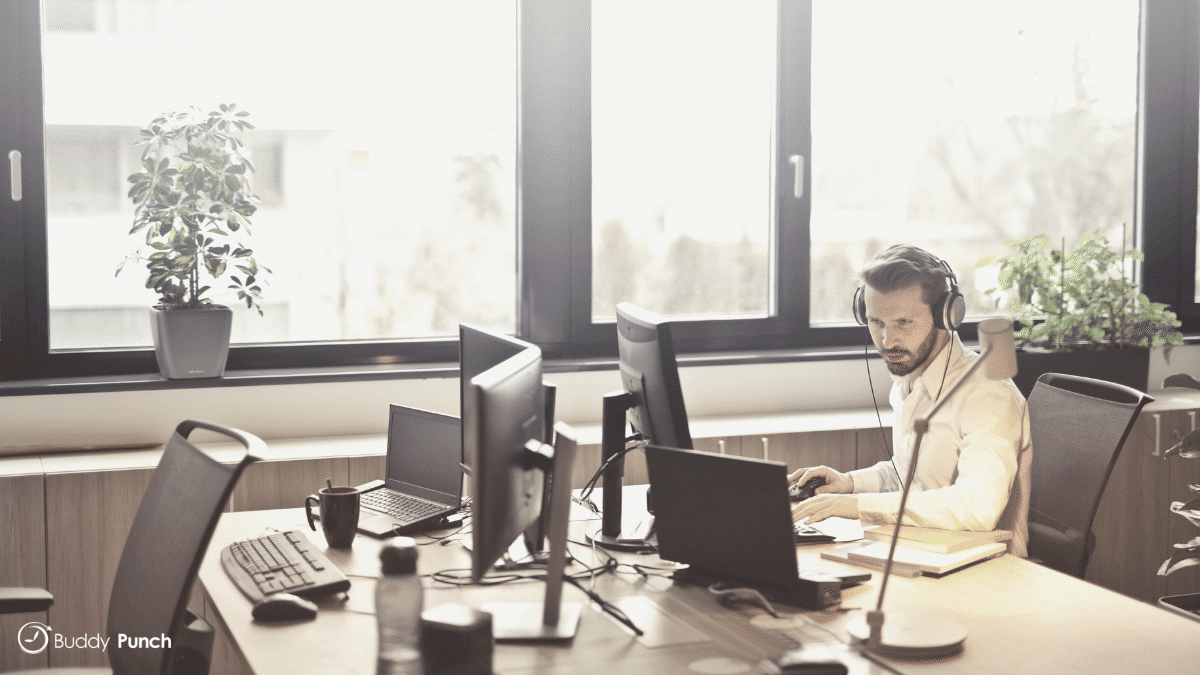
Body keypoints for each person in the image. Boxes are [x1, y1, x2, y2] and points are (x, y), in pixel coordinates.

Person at [790, 244, 1031, 556]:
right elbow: (911, 477)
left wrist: (857, 505)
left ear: (947, 315)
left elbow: (978, 507)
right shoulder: (910, 381)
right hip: (922, 550)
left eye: (904, 322)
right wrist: (849, 483)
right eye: (876, 322)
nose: (888, 341)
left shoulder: (986, 394)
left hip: (985, 570)